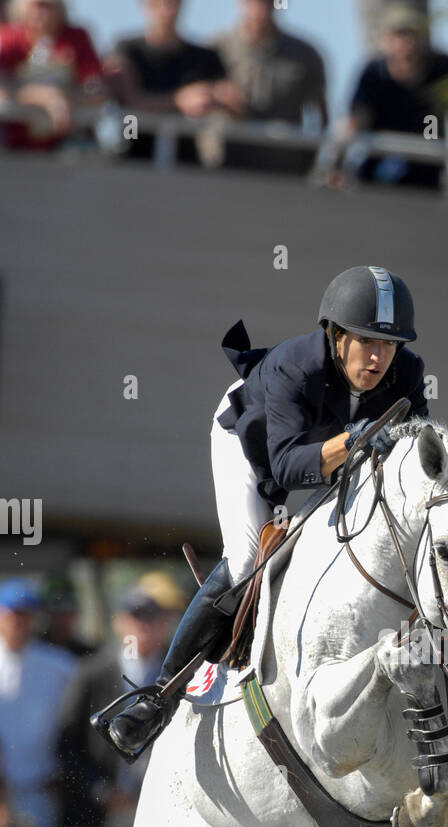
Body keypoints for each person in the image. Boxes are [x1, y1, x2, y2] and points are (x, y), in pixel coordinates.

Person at [94, 264, 431, 759]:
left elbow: (417, 456)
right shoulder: (296, 366)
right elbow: (289, 468)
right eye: (366, 341)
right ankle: (157, 698)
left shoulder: (408, 372)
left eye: (390, 344)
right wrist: (356, 440)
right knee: (249, 559)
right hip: (251, 442)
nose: (379, 356)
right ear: (336, 336)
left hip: (326, 449)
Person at [58, 586, 174, 827]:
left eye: (151, 616)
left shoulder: (178, 677)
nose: (144, 624)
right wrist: (99, 790)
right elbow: (68, 742)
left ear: (163, 624)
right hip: (99, 812)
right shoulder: (91, 672)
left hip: (162, 805)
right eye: (136, 615)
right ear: (119, 623)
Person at [337, 5, 448, 191]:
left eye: (413, 33)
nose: (407, 41)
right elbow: (355, 121)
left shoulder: (442, 68)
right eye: (400, 34)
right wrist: (337, 165)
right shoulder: (373, 74)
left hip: (429, 169)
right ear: (385, 39)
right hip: (378, 167)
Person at [105, 0, 243, 163]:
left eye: (172, 3)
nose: (167, 10)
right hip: (133, 154)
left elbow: (236, 104)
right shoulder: (127, 50)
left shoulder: (203, 57)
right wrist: (179, 101)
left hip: (186, 160)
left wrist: (212, 97)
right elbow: (131, 100)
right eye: (158, 4)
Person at [0, 579, 77, 827]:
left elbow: (72, 726)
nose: (18, 623)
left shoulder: (60, 666)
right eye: (13, 615)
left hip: (40, 789)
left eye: (25, 616)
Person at [0, 0, 102, 150]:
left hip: (64, 141)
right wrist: (46, 97)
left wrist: (69, 98)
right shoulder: (9, 37)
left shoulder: (76, 38)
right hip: (14, 141)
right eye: (37, 5)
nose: (41, 13)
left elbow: (97, 87)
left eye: (48, 5)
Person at [213, 0, 326, 127]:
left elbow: (320, 116)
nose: (260, 7)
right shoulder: (215, 49)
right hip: (229, 141)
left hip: (283, 144)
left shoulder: (305, 56)